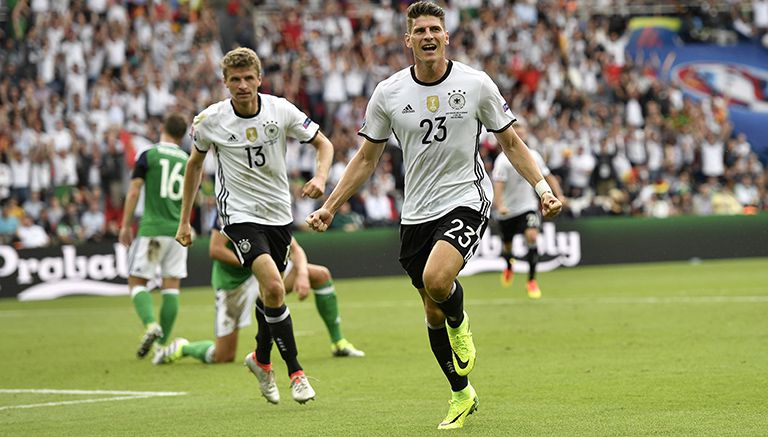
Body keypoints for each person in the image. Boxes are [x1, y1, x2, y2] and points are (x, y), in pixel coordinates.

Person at [306, 2, 562, 430]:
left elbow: (513, 144)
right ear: (407, 40)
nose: (428, 36)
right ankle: (461, 393)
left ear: (446, 36)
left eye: (435, 29)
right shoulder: (388, 92)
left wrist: (542, 190)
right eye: (419, 30)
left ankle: (461, 323)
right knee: (430, 309)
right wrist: (331, 205)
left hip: (466, 197)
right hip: (416, 211)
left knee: (438, 280)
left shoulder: (476, 84)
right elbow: (367, 159)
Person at [176, 47, 334, 405]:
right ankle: (296, 372)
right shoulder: (209, 121)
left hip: (278, 214)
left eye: (249, 78)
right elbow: (194, 167)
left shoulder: (281, 110)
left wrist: (321, 178)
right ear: (225, 83)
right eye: (235, 80)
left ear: (260, 79)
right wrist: (185, 220)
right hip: (239, 216)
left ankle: (261, 360)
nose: (243, 85)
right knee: (276, 286)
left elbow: (323, 145)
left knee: (271, 295)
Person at [154, 218, 365, 386]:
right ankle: (183, 348)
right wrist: (254, 261)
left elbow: (296, 249)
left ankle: (338, 343)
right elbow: (215, 249)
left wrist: (301, 274)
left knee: (320, 275)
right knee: (223, 355)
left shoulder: (268, 204)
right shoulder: (228, 206)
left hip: (265, 273)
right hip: (234, 284)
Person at [118, 113, 189, 359]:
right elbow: (194, 197)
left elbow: (135, 190)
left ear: (163, 128)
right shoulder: (188, 159)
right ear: (183, 135)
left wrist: (126, 225)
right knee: (172, 286)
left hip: (152, 228)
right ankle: (162, 346)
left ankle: (150, 325)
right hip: (179, 231)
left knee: (137, 281)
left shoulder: (148, 154)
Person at [492, 120, 564, 298]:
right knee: (507, 246)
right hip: (508, 210)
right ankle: (509, 266)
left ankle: (531, 281)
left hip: (528, 206)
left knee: (532, 236)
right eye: (515, 128)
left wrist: (558, 194)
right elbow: (498, 184)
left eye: (521, 128)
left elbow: (547, 176)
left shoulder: (534, 156)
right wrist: (500, 205)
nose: (519, 131)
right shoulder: (502, 160)